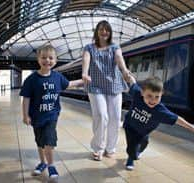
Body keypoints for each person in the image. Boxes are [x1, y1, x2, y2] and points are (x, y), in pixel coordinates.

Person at [20, 45, 83, 179]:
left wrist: (83, 81)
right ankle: (42, 163)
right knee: (40, 142)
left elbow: (69, 84)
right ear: (38, 59)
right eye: (44, 57)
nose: (47, 60)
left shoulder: (57, 77)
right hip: (36, 117)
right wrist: (25, 115)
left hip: (51, 116)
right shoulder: (31, 80)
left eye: (50, 58)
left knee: (49, 139)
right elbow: (26, 98)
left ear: (55, 60)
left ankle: (51, 165)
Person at [123, 75, 194, 170]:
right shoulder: (137, 94)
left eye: (157, 97)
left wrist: (192, 128)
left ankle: (136, 152)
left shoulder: (160, 110)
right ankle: (131, 158)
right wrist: (129, 76)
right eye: (149, 96)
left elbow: (177, 119)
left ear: (162, 94)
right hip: (130, 126)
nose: (152, 100)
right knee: (132, 146)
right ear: (142, 93)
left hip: (144, 131)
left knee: (144, 144)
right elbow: (133, 84)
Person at [82, 20, 130, 161]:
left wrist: (125, 71)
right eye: (101, 29)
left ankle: (110, 148)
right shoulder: (89, 47)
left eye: (107, 30)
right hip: (95, 86)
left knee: (115, 117)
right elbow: (86, 60)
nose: (104, 32)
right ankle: (98, 148)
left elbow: (120, 59)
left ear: (110, 33)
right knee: (102, 116)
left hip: (114, 85)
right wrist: (85, 73)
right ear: (97, 31)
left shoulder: (115, 47)